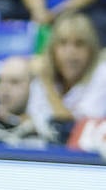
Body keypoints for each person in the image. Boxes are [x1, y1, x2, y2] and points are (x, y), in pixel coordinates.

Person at [25, 11, 106, 141]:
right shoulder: (45, 72)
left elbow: (74, 132)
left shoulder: (102, 75)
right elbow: (33, 121)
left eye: (79, 44)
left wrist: (48, 86)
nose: (70, 53)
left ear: (91, 50)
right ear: (52, 49)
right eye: (63, 43)